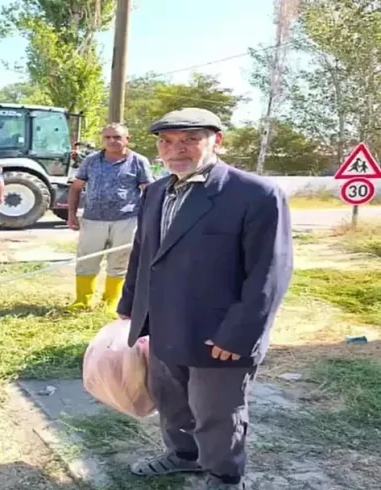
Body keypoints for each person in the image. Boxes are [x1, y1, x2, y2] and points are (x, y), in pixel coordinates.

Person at [116, 108, 294, 490]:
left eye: (189, 140)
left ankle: (224, 475)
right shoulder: (157, 192)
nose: (175, 150)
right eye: (166, 142)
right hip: (164, 322)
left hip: (220, 334)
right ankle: (183, 455)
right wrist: (130, 309)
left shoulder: (255, 194)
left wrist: (239, 335)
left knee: (216, 410)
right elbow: (143, 254)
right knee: (171, 400)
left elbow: (270, 273)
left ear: (217, 140)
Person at [66, 123, 152, 313]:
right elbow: (76, 187)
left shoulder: (138, 161)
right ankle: (82, 300)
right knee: (86, 260)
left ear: (127, 139)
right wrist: (71, 214)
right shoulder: (91, 161)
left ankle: (111, 302)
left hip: (126, 220)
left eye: (117, 137)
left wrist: (149, 219)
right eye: (108, 137)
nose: (112, 141)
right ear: (102, 139)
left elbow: (148, 191)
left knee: (120, 262)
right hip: (93, 219)